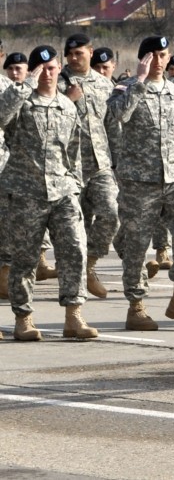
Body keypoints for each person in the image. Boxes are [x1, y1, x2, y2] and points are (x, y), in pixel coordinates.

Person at [107, 36, 174, 330]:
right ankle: (136, 308)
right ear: (142, 59)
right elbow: (118, 115)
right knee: (137, 244)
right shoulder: (125, 89)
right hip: (139, 180)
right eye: (154, 56)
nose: (160, 62)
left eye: (164, 55)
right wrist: (138, 80)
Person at [0, 45, 97, 340]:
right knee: (25, 258)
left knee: (75, 250)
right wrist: (27, 82)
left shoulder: (67, 106)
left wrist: (75, 182)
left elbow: (74, 148)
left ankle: (74, 316)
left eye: (52, 68)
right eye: (41, 69)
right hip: (25, 193)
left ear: (59, 70)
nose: (47, 74)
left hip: (63, 191)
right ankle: (24, 318)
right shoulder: (21, 103)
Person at [59, 33, 118, 295]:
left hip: (101, 164)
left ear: (90, 52)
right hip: (70, 169)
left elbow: (112, 128)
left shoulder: (105, 85)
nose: (73, 57)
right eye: (70, 54)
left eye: (79, 53)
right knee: (75, 228)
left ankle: (90, 263)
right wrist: (67, 101)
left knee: (111, 214)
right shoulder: (57, 83)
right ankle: (75, 281)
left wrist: (118, 163)